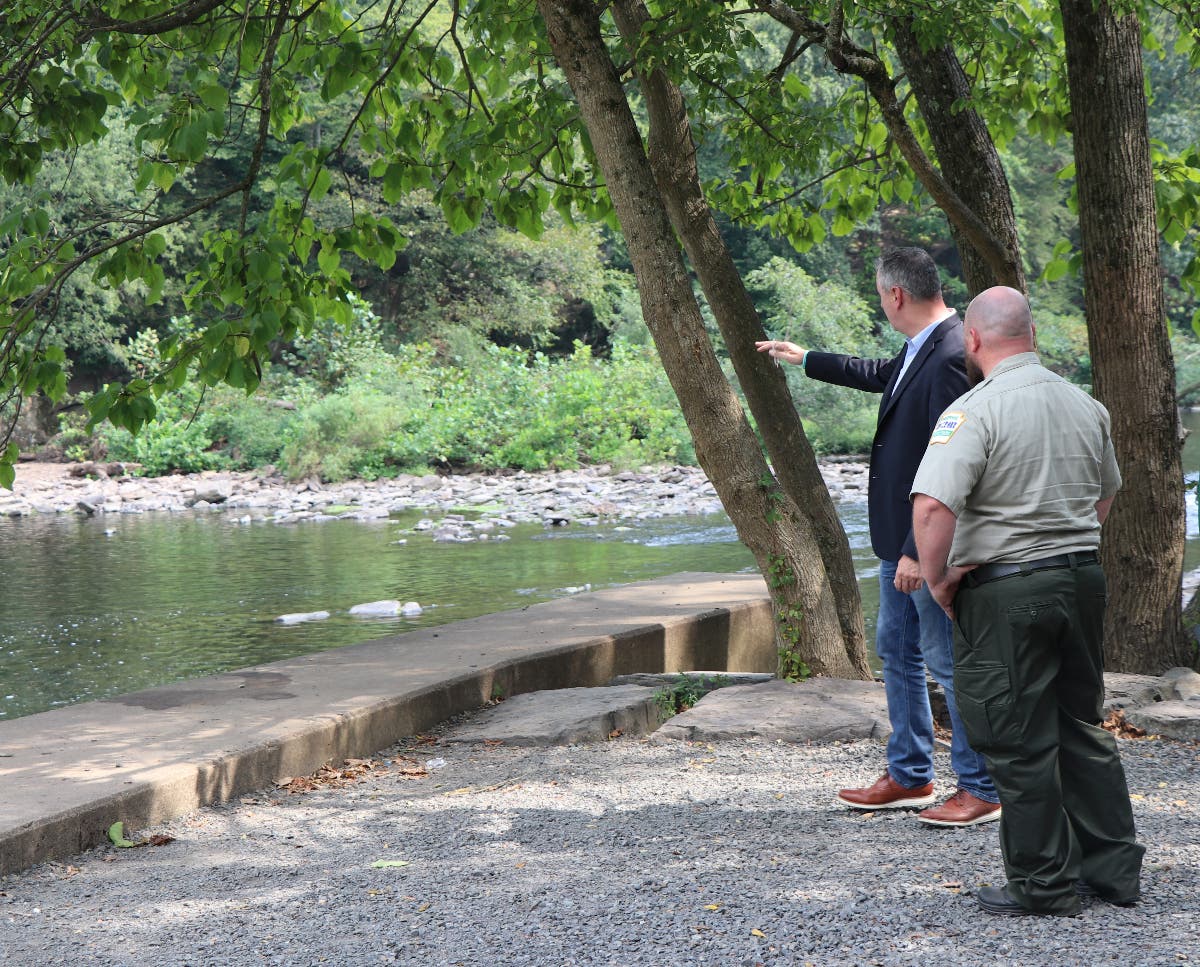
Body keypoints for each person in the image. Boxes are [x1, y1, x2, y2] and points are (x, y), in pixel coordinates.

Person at [910, 285, 1145, 917]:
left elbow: (932, 507)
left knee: (1017, 738)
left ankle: (1044, 885)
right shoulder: (1085, 404)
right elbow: (1106, 494)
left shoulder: (973, 411)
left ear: (975, 340)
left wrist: (938, 580)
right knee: (1082, 727)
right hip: (1080, 581)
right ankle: (1114, 873)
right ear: (1032, 335)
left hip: (1007, 589)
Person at [756, 247, 999, 826]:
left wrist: (919, 551)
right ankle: (912, 775)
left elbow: (952, 464)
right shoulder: (925, 346)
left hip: (926, 544)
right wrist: (806, 358)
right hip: (900, 540)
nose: (880, 303)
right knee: (896, 651)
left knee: (945, 659)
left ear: (895, 295)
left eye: (878, 294)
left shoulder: (946, 355)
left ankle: (980, 786)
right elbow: (884, 376)